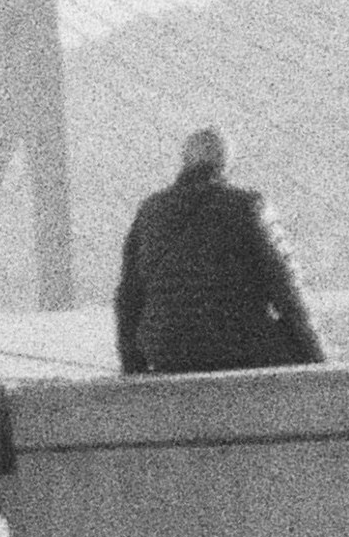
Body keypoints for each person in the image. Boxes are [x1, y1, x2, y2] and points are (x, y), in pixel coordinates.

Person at [112, 127, 324, 374]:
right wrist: (317, 355)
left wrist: (132, 365)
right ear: (226, 164)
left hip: (168, 349)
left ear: (185, 162)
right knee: (293, 346)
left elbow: (128, 296)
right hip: (238, 345)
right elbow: (285, 287)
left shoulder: (150, 211)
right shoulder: (247, 206)